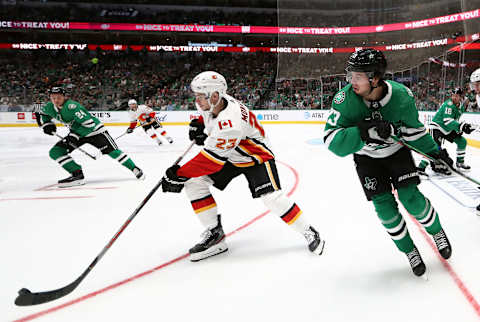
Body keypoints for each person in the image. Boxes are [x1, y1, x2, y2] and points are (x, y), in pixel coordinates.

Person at [160, 71, 325, 262]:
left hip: (256, 156)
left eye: (200, 96)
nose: (197, 101)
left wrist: (179, 173)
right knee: (195, 182)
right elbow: (207, 118)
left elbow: (211, 160)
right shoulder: (216, 100)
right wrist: (198, 124)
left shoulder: (230, 122)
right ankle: (215, 234)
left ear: (214, 96)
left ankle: (309, 231)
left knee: (272, 198)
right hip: (232, 154)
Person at [323, 48, 453, 277]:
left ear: (374, 77)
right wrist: (364, 132)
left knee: (410, 199)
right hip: (367, 159)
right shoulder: (344, 100)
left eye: (358, 76)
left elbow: (414, 133)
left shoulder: (402, 96)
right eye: (350, 75)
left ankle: (436, 231)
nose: (351, 81)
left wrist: (435, 154)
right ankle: (409, 250)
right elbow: (332, 140)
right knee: (385, 210)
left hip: (397, 153)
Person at [37, 87, 145, 187]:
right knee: (56, 152)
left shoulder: (72, 107)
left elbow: (89, 123)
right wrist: (47, 124)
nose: (56, 100)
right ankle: (77, 174)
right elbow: (42, 114)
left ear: (64, 97)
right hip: (77, 132)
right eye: (53, 98)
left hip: (95, 131)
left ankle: (134, 168)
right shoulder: (49, 107)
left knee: (113, 152)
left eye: (59, 97)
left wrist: (74, 136)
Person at [417, 87, 474, 175]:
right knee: (434, 148)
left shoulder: (460, 106)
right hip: (437, 127)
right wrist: (461, 127)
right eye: (453, 95)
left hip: (447, 129)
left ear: (460, 97)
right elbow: (447, 121)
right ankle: (421, 167)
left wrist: (461, 128)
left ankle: (460, 162)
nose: (454, 97)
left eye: (456, 96)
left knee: (462, 141)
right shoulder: (449, 104)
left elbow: (462, 108)